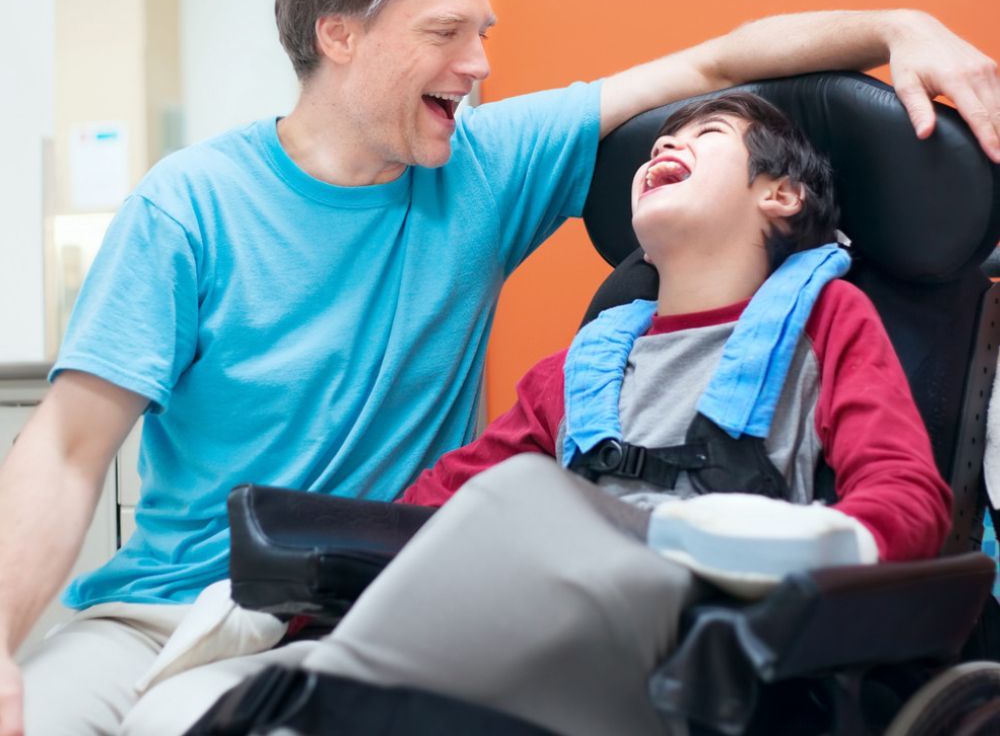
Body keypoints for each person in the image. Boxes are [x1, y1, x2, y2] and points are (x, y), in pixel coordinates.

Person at [0, 0, 990, 736]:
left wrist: (896, 25)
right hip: (167, 606)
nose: (477, 66)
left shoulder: (488, 166)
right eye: (445, 34)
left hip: (359, 606)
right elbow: (67, 450)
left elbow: (718, 59)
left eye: (483, 34)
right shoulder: (190, 205)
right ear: (338, 36)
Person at [265, 92, 946, 736]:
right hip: (540, 627)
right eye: (661, 141)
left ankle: (320, 699)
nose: (667, 145)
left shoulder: (826, 321)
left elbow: (907, 496)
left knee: (523, 496)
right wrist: (319, 587)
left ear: (781, 195)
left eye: (706, 135)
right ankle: (301, 683)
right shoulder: (579, 369)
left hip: (698, 639)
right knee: (260, 672)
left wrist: (804, 545)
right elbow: (441, 502)